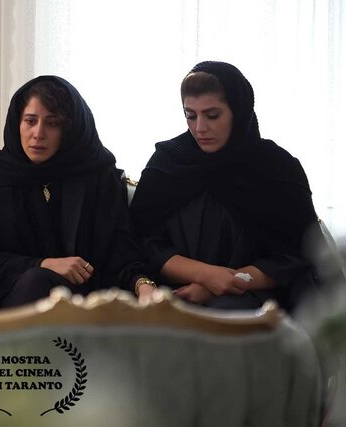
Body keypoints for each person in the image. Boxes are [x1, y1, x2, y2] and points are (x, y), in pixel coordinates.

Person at [129, 61, 323, 310]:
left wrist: (223, 284)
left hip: (255, 297)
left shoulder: (277, 168)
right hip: (173, 291)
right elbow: (142, 242)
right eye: (190, 115)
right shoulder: (168, 162)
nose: (200, 128)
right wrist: (205, 275)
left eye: (212, 115)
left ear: (239, 111)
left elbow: (297, 255)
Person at [0, 75, 154, 309]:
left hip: (85, 300)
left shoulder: (98, 178)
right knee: (36, 280)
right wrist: (43, 264)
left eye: (52, 123)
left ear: (70, 129)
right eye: (30, 121)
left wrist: (142, 284)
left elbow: (120, 252)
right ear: (17, 123)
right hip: (7, 298)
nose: (38, 133)